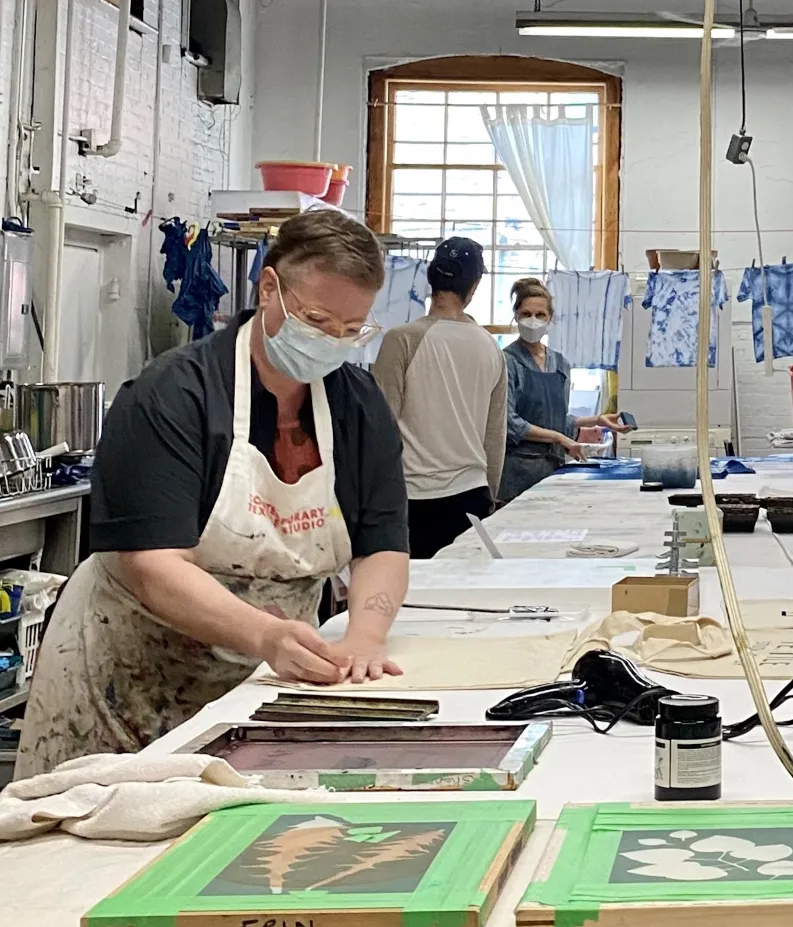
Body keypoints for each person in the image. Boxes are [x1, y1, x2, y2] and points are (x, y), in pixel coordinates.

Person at [17, 211, 411, 779]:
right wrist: (266, 633)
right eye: (319, 320)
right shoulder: (173, 394)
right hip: (128, 676)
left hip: (263, 682)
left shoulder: (358, 406)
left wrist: (364, 638)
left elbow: (381, 543)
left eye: (353, 330)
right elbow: (151, 565)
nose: (333, 343)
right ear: (270, 288)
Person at [373, 237, 508, 559]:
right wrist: (490, 493)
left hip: (411, 499)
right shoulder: (491, 348)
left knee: (411, 601)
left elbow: (380, 427)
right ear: (474, 286)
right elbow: (495, 435)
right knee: (463, 599)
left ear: (430, 279)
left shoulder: (401, 340)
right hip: (471, 495)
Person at [498, 278, 631, 504]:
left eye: (540, 315)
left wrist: (597, 420)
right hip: (518, 472)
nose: (533, 320)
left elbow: (557, 419)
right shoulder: (506, 361)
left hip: (554, 469)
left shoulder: (560, 363)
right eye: (526, 314)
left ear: (550, 319)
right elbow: (510, 423)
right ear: (516, 316)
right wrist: (560, 439)